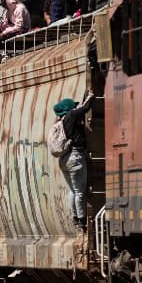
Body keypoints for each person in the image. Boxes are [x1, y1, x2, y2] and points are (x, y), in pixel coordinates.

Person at [53, 92, 95, 231]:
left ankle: (75, 218)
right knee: (79, 191)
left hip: (65, 158)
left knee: (72, 190)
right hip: (75, 157)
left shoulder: (62, 121)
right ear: (69, 109)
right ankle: (82, 220)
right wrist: (91, 96)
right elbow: (85, 108)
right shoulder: (71, 116)